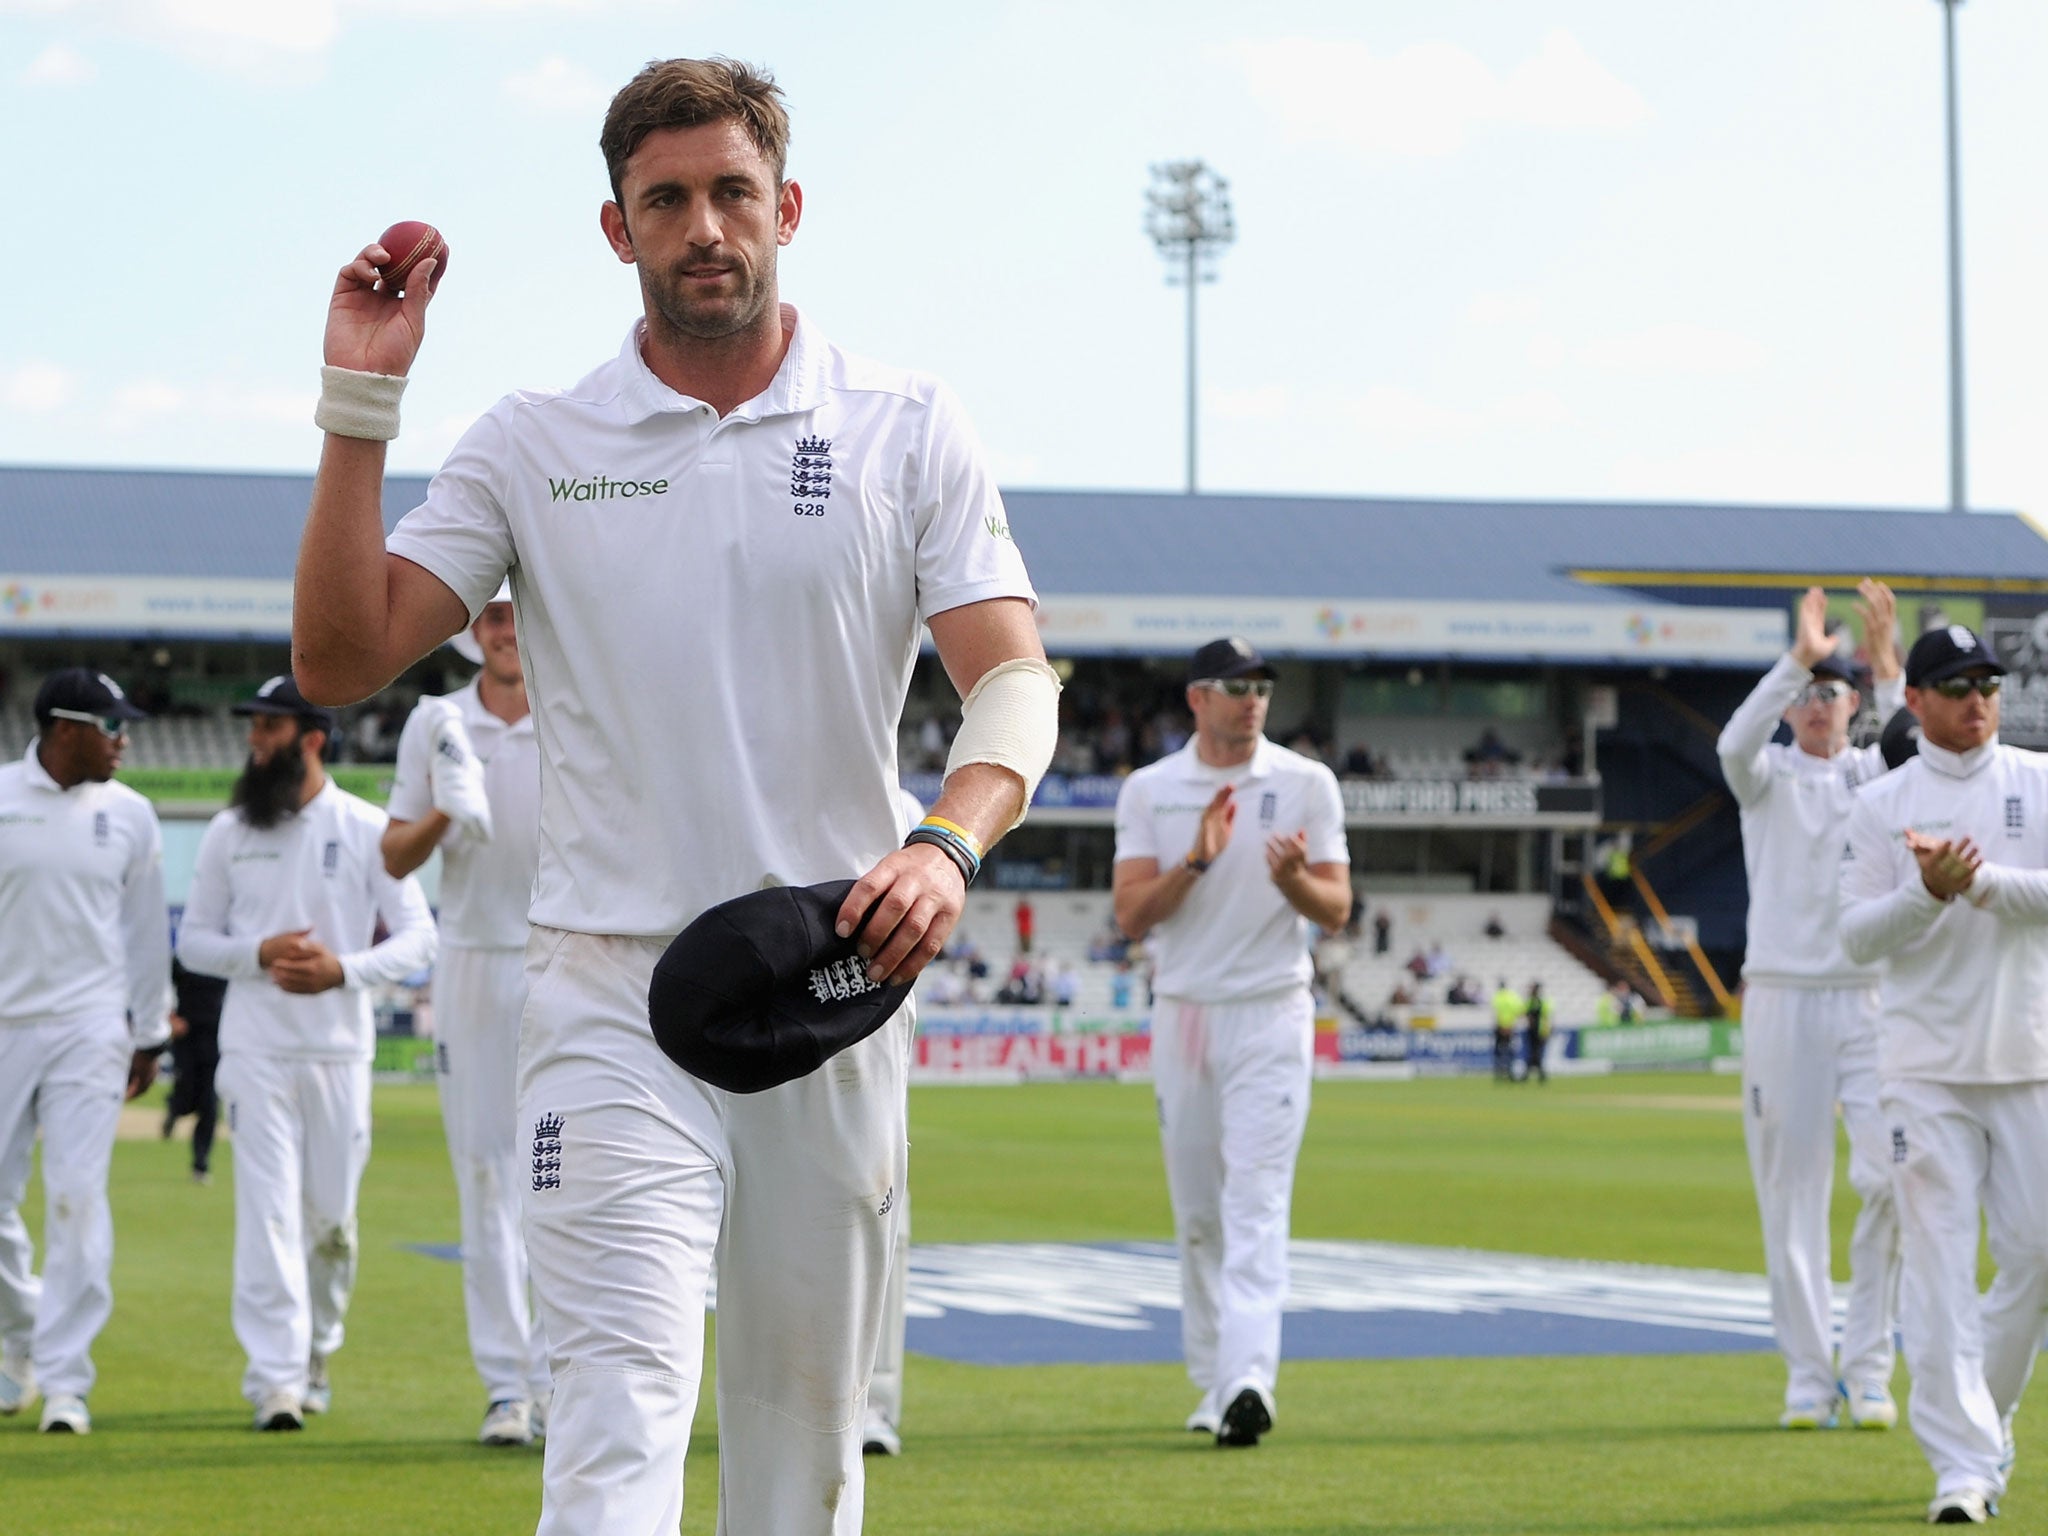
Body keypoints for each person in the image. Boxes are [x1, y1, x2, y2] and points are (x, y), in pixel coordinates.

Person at [290, 57, 1057, 1535]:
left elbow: (1013, 679)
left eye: (731, 193)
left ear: (789, 208)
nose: (703, 226)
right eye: (666, 200)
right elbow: (336, 657)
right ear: (616, 228)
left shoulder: (907, 421)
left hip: (833, 980)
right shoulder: (532, 439)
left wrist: (950, 844)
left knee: (797, 1456)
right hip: (605, 997)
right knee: (617, 1407)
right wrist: (359, 398)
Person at [176, 677, 437, 1433]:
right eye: (253, 728)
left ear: (311, 739)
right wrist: (257, 952)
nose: (254, 742)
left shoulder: (363, 827)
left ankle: (317, 1352)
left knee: (333, 1224)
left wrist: (343, 970)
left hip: (338, 1052)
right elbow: (193, 941)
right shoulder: (231, 831)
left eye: (268, 729)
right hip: (254, 1050)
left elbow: (421, 938)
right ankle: (276, 1381)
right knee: (267, 1219)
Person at [1111, 637, 1350, 1449]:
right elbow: (1133, 915)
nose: (1251, 700)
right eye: (1234, 687)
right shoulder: (1151, 789)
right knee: (1199, 1217)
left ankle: (1250, 1378)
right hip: (1183, 1012)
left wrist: (1293, 883)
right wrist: (1198, 862)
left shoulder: (1305, 782)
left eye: (1261, 687)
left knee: (1256, 1202)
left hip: (1272, 1011)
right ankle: (1216, 1380)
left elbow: (1337, 908)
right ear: (1196, 698)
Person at [1840, 624, 2048, 1525]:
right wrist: (1922, 895)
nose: (1978, 701)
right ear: (1916, 699)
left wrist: (1980, 887)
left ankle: (1984, 1426)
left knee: (2037, 1257)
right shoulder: (1883, 804)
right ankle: (1960, 1473)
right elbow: (1854, 938)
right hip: (1922, 1070)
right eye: (1958, 686)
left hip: (2030, 1059)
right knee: (1936, 1272)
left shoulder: (2037, 783)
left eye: (1988, 684)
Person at [1717, 581, 1904, 1433]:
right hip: (1785, 997)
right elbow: (1732, 741)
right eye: (1806, 698)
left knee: (1893, 1178)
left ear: (1853, 703)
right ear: (1792, 710)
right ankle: (1805, 1375)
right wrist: (1798, 658)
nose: (1818, 707)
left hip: (1868, 998)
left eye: (1832, 693)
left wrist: (1891, 662)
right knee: (1789, 1193)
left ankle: (1869, 1369)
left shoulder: (1876, 777)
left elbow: (1913, 752)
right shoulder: (1766, 781)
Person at [382, 586, 551, 1447]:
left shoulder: (579, 702)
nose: (505, 630)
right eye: (491, 617)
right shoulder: (437, 722)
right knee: (486, 1179)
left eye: (518, 615)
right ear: (473, 631)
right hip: (478, 962)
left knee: (568, 1180)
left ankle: (566, 1381)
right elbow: (393, 852)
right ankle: (506, 1388)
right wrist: (452, 803)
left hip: (573, 961)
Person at [0, 671, 169, 1435]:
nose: (123, 740)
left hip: (91, 1028)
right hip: (4, 1026)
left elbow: (143, 934)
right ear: (64, 730)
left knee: (75, 1197)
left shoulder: (131, 814)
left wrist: (148, 1033)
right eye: (111, 726)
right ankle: (21, 1343)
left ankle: (67, 1380)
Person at [863, 785, 927, 1462]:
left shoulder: (905, 809)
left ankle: (872, 1402)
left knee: (880, 1224)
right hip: (738, 1040)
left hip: (864, 1044)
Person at [161, 959, 228, 1184]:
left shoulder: (225, 959)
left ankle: (201, 1163)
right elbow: (159, 983)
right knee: (187, 1093)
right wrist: (169, 1017)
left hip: (216, 1037)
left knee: (209, 1104)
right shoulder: (184, 956)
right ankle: (174, 1108)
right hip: (186, 1036)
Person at [1490, 979, 1522, 1082]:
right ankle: (1510, 1071)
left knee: (1499, 1050)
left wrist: (1502, 1026)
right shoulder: (1512, 997)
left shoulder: (1497, 997)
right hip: (1510, 1027)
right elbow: (1518, 1012)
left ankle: (1499, 1072)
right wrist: (1510, 1026)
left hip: (1500, 1027)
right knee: (1510, 1050)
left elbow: (1496, 1013)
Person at [1522, 982, 1553, 1085]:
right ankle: (1539, 1074)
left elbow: (1546, 1018)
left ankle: (1531, 1074)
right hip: (1531, 1031)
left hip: (1539, 1031)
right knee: (1533, 1053)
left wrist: (1546, 1031)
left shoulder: (1541, 1002)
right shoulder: (1531, 1002)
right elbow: (1525, 1013)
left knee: (1536, 1053)